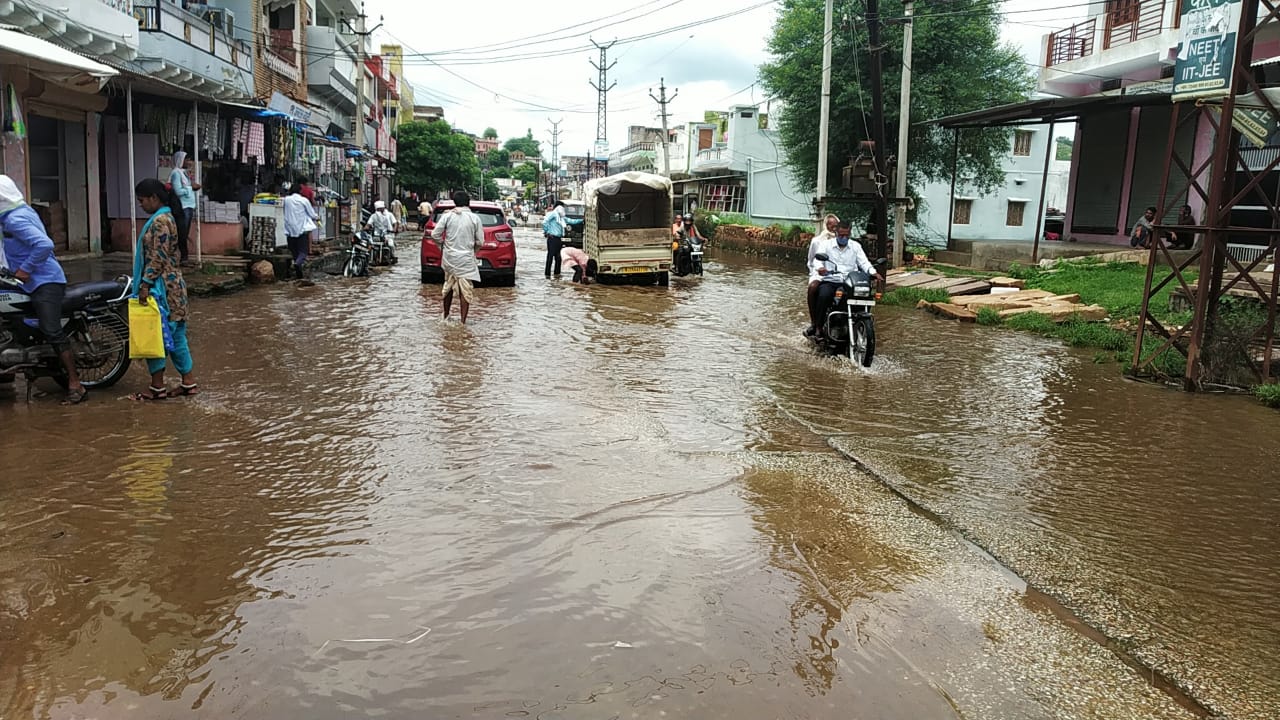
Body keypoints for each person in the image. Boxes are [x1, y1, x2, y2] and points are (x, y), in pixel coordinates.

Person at [0, 175, 87, 404]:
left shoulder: (15, 220)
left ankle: (75, 383)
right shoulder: (18, 213)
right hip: (23, 280)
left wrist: (26, 269)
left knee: (51, 329)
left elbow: (45, 244)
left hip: (45, 280)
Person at [132, 178, 198, 400]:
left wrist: (145, 284)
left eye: (142, 200)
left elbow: (157, 258)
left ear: (153, 198)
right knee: (177, 336)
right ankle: (188, 383)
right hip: (174, 286)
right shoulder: (169, 218)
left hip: (162, 288)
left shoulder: (160, 221)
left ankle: (157, 387)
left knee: (155, 334)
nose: (141, 205)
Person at [808, 220, 881, 338]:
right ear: (836, 232)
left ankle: (860, 323)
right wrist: (821, 268)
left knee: (865, 296)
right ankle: (818, 327)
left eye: (847, 235)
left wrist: (873, 272)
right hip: (831, 280)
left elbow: (864, 263)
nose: (844, 237)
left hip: (850, 282)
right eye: (841, 235)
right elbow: (817, 260)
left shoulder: (856, 246)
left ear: (850, 233)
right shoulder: (826, 245)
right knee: (824, 295)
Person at [431, 190, 484, 324]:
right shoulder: (474, 218)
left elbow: (435, 235)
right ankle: (463, 321)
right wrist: (473, 251)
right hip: (466, 258)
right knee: (465, 289)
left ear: (455, 202)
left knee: (448, 284)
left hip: (449, 258)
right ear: (468, 202)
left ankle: (446, 316)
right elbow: (480, 242)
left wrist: (442, 247)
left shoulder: (448, 216)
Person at [805, 214, 840, 336]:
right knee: (813, 288)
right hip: (819, 273)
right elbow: (811, 260)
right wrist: (816, 272)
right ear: (826, 225)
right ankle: (814, 323)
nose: (834, 228)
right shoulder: (817, 241)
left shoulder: (842, 241)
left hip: (837, 274)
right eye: (832, 225)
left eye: (837, 226)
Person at [168, 151, 200, 265]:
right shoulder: (176, 173)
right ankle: (182, 256)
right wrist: (191, 188)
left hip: (189, 206)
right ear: (180, 160)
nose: (189, 162)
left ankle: (182, 256)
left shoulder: (184, 173)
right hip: (182, 207)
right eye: (186, 159)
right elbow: (178, 191)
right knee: (181, 233)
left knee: (184, 232)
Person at [283, 184, 318, 279]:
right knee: (303, 251)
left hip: (289, 229)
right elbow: (312, 214)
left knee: (294, 250)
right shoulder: (304, 200)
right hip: (301, 229)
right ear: (300, 191)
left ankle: (298, 270)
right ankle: (297, 264)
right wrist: (317, 218)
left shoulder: (286, 200)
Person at [542, 200, 567, 278]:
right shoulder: (553, 214)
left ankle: (557, 274)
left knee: (558, 257)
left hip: (558, 239)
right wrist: (547, 232)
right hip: (552, 238)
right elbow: (545, 222)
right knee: (550, 256)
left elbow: (570, 221)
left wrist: (580, 221)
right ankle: (547, 274)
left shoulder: (561, 217)